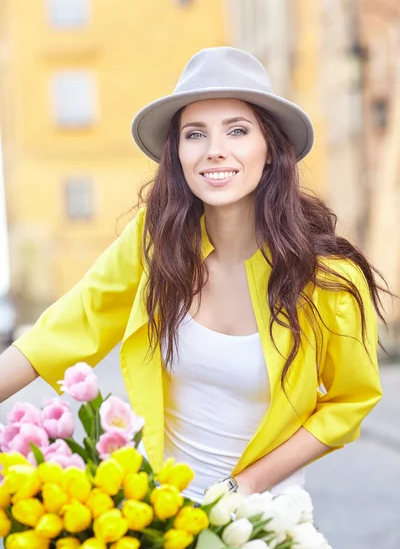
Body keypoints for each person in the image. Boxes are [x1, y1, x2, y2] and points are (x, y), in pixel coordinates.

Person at [0, 47, 385, 502]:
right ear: (178, 153)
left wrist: (242, 488)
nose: (214, 151)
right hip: (158, 515)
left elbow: (349, 402)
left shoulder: (326, 279)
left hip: (263, 519)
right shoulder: (155, 242)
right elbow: (68, 326)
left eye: (238, 131)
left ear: (269, 152)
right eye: (195, 134)